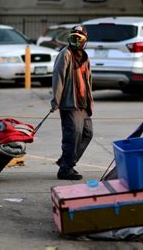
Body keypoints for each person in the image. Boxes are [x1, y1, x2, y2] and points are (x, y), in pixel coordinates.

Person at [51, 25, 93, 180]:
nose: (76, 39)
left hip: (83, 103)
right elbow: (58, 77)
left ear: (85, 39)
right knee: (73, 135)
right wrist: (56, 100)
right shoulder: (65, 54)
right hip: (70, 103)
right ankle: (65, 169)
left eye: (80, 36)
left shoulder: (84, 56)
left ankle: (67, 161)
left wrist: (90, 102)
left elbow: (87, 80)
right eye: (74, 35)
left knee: (87, 134)